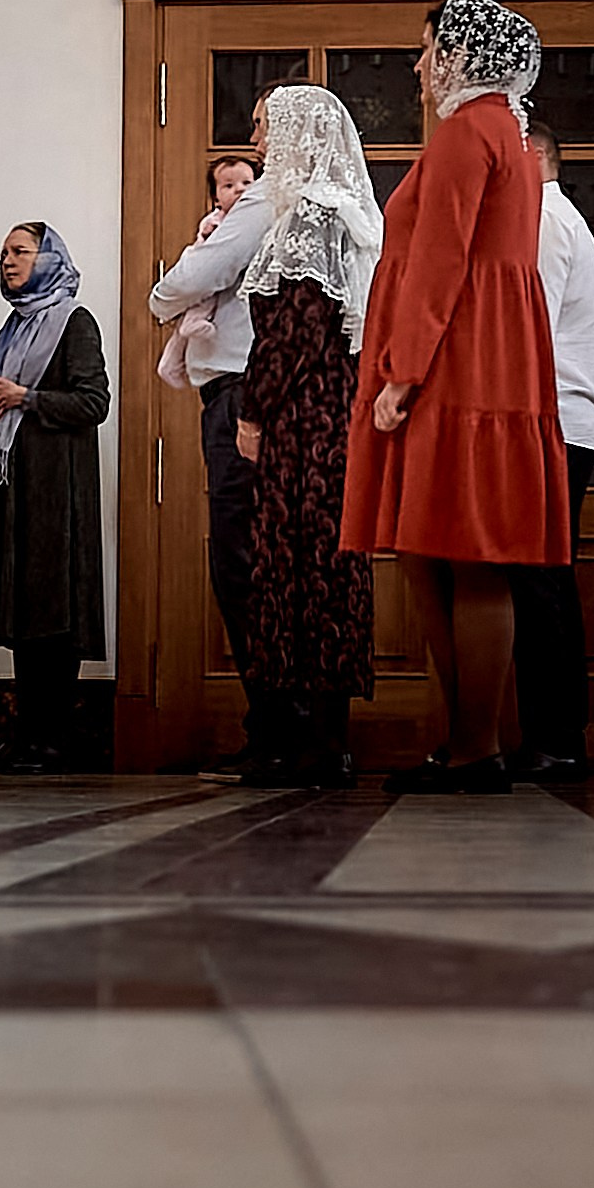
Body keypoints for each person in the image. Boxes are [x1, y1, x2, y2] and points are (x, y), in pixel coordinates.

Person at [341, 0, 569, 795]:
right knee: (442, 550)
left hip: (456, 355)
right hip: (484, 347)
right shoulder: (500, 128)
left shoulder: (465, 134)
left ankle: (475, 746)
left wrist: (402, 370)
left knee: (467, 554)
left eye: (427, 46)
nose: (417, 63)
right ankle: (463, 739)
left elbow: (439, 262)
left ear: (460, 54)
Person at [232, 85, 381, 787]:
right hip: (331, 412)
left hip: (304, 419)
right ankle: (322, 738)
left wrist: (251, 409)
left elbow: (293, 333)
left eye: (264, 127)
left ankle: (315, 744)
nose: (255, 142)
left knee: (302, 572)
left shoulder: (313, 215)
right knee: (321, 570)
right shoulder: (336, 210)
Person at [150, 113, 276, 757]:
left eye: (260, 129)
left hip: (242, 392)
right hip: (229, 390)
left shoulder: (264, 203)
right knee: (243, 557)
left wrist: (162, 296)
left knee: (241, 559)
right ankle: (275, 726)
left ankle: (275, 728)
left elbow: (184, 283)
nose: (252, 141)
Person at [0, 219, 109, 773]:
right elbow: (0, 410)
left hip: (58, 493)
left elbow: (92, 402)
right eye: (2, 253)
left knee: (55, 615)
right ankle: (28, 737)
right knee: (24, 616)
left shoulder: (74, 322)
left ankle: (53, 739)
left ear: (49, 258)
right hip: (15, 486)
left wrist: (24, 397)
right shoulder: (14, 327)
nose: (8, 261)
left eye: (20, 252)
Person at [510, 117, 594, 780]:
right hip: (551, 416)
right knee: (537, 576)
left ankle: (556, 737)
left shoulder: (546, 215)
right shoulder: (549, 212)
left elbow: (528, 321)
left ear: (533, 155)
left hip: (553, 417)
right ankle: (550, 732)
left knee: (541, 577)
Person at [157, 155, 259, 394]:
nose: (240, 190)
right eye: (229, 186)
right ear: (216, 198)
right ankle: (171, 362)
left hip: (236, 359)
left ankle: (172, 362)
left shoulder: (258, 221)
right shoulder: (217, 221)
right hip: (222, 365)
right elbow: (203, 268)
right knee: (198, 304)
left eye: (247, 183)